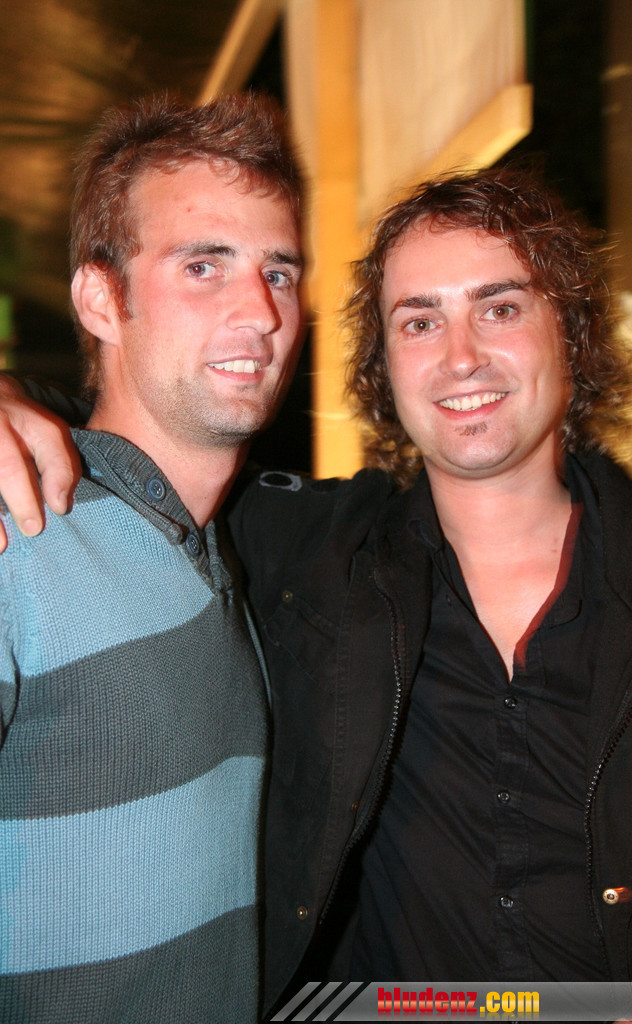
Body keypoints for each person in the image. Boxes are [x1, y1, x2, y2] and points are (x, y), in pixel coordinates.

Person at [1, 167, 632, 1008]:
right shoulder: (311, 552)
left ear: (569, 334)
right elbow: (144, 426)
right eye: (419, 321)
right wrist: (10, 393)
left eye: (500, 308)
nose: (460, 356)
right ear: (383, 364)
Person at [0, 92, 304, 1024]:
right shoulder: (19, 533)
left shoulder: (230, 549)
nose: (259, 309)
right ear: (102, 299)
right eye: (203, 265)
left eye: (279, 271)